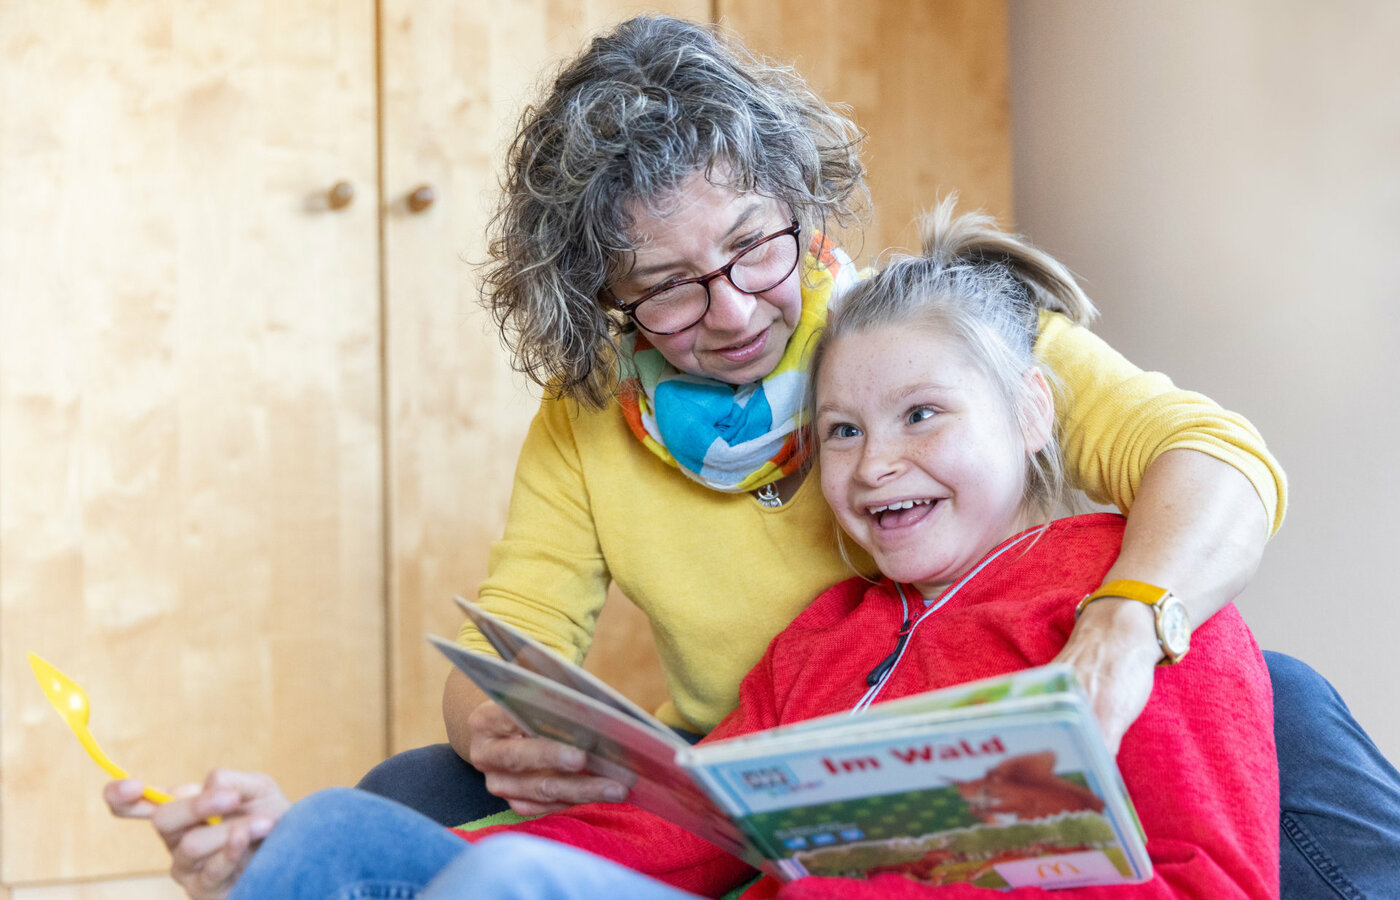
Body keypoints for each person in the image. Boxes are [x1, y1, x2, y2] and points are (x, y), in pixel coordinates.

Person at [342, 14, 1400, 895]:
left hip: (994, 732)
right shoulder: (604, 438)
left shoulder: (933, 331)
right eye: (665, 285)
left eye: (753, 243)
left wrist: (1129, 618)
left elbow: (1207, 451)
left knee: (1273, 692)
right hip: (750, 764)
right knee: (399, 802)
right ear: (600, 300)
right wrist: (505, 736)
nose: (732, 307)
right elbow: (516, 642)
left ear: (797, 201)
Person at [108, 203, 1280, 898]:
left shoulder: (1128, 607)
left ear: (1033, 413)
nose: (874, 465)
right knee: (332, 834)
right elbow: (659, 838)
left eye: (922, 416)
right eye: (838, 432)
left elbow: (1214, 881)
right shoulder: (820, 642)